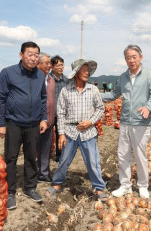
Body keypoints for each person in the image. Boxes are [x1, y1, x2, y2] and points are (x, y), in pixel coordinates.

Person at [102, 45, 151, 199]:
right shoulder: (122, 77)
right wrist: (95, 95)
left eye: (134, 57)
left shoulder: (150, 75)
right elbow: (114, 94)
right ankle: (125, 185)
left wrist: (148, 107)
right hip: (125, 122)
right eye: (128, 57)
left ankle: (142, 186)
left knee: (140, 155)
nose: (132, 60)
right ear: (125, 59)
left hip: (141, 122)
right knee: (123, 155)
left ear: (140, 57)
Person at [45, 59, 108, 202]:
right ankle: (57, 184)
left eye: (88, 70)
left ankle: (99, 188)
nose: (87, 72)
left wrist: (90, 121)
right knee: (64, 159)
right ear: (76, 73)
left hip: (89, 132)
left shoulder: (93, 89)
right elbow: (60, 113)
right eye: (84, 70)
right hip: (70, 131)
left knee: (93, 161)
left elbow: (100, 108)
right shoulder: (66, 90)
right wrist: (61, 133)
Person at [0, 41, 47, 210]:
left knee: (31, 157)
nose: (33, 58)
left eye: (36, 55)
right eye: (30, 54)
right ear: (21, 55)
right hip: (13, 123)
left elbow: (43, 98)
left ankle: (30, 187)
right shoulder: (8, 73)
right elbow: (0, 98)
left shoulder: (40, 75)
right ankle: (10, 192)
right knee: (11, 158)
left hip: (33, 124)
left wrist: (44, 119)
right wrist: (1, 123)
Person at [37, 53, 55, 183]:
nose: (49, 65)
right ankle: (32, 175)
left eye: (50, 63)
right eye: (47, 63)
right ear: (38, 64)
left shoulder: (51, 80)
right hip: (35, 121)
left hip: (49, 121)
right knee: (32, 149)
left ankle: (43, 174)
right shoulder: (33, 78)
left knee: (45, 148)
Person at [49, 55, 69, 162]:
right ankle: (45, 155)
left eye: (62, 65)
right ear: (52, 67)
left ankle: (59, 155)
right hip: (49, 113)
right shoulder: (47, 80)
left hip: (61, 113)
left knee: (60, 134)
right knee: (47, 136)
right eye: (58, 65)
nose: (61, 67)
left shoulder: (66, 80)